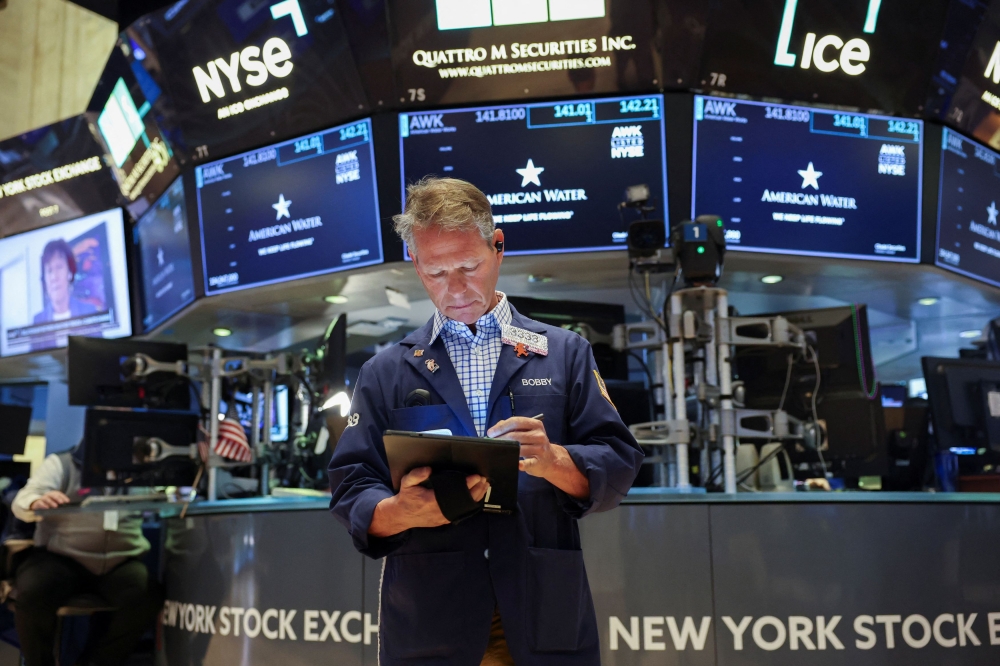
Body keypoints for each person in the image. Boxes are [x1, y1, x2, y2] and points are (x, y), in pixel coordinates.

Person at [328, 177, 643, 665]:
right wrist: (403, 511)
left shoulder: (564, 353)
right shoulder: (386, 370)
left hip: (540, 601)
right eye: (435, 273)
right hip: (432, 614)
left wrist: (557, 461)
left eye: (469, 267)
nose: (455, 290)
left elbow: (619, 460)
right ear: (415, 264)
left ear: (498, 247)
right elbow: (350, 485)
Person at [10, 446, 163, 666]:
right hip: (61, 556)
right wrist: (36, 501)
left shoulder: (143, 468)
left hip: (119, 561)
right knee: (34, 589)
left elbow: (166, 495)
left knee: (148, 596)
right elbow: (23, 498)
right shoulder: (62, 463)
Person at [33, 239, 98, 325]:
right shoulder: (38, 321)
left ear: (70, 272)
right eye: (49, 270)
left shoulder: (89, 311)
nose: (54, 277)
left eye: (59, 267)